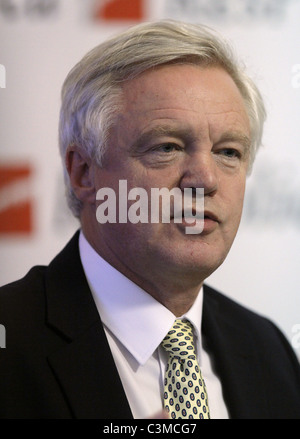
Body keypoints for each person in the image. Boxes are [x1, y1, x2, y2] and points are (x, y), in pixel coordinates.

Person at [0, 20, 300, 420]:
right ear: (84, 172)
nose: (205, 179)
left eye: (228, 152)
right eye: (167, 147)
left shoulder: (268, 350)